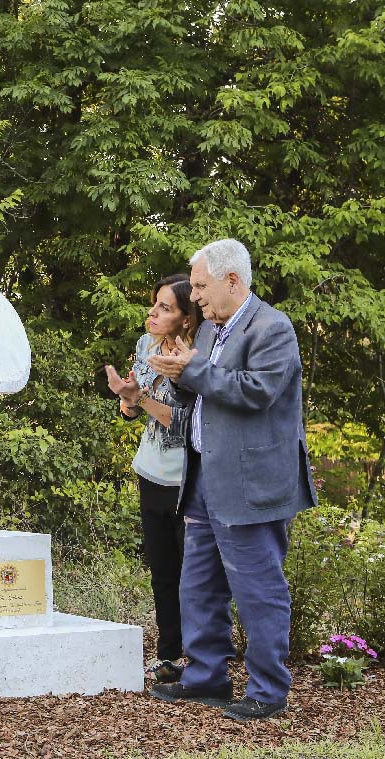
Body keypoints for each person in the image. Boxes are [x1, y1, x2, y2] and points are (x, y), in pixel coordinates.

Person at [146, 238, 317, 722]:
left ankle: (268, 690)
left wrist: (194, 370)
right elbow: (199, 395)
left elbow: (257, 392)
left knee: (258, 590)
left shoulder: (272, 328)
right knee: (198, 584)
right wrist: (178, 376)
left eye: (201, 286)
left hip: (251, 484)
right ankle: (206, 677)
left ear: (232, 280)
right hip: (204, 476)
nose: (195, 296)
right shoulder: (206, 332)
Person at [106, 275, 201, 684]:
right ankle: (168, 656)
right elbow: (133, 411)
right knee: (162, 571)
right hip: (150, 472)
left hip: (186, 480)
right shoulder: (146, 345)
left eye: (165, 307)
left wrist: (140, 399)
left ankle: (200, 658)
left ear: (185, 318)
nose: (153, 312)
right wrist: (128, 398)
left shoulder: (194, 357)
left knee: (192, 575)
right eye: (154, 304)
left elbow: (183, 425)